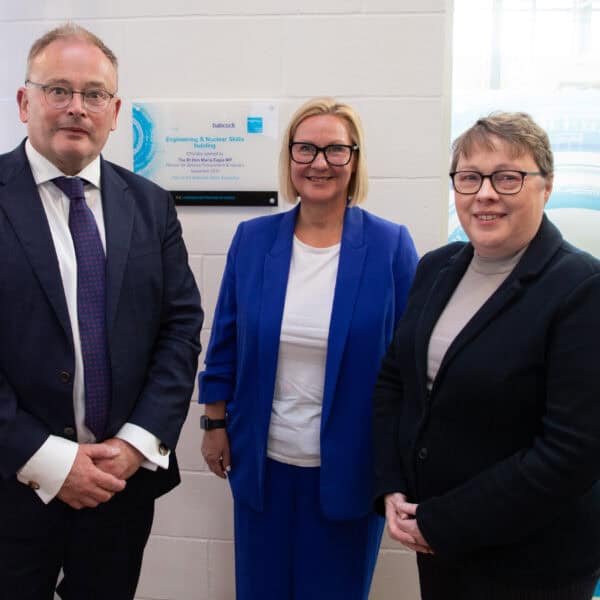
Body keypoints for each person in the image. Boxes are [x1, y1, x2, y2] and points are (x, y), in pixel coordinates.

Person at [0, 23, 203, 599]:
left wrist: (139, 442)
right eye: (58, 90)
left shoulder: (150, 204)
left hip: (120, 486)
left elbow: (180, 327)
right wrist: (50, 460)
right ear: (24, 101)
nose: (76, 108)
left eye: (93, 95)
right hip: (11, 485)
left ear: (115, 112)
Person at [373, 111, 600, 599]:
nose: (485, 193)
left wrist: (442, 521)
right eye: (470, 177)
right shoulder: (436, 268)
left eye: (508, 177)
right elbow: (396, 382)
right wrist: (391, 486)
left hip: (533, 562)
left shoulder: (582, 288)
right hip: (441, 549)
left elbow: (571, 453)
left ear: (547, 185)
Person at [199, 97, 418, 599]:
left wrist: (400, 465)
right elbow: (226, 340)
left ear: (354, 159)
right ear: (290, 158)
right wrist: (213, 424)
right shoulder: (253, 240)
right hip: (262, 465)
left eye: (335, 149)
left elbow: (408, 364)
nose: (319, 162)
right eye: (306, 149)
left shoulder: (390, 246)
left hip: (351, 469)